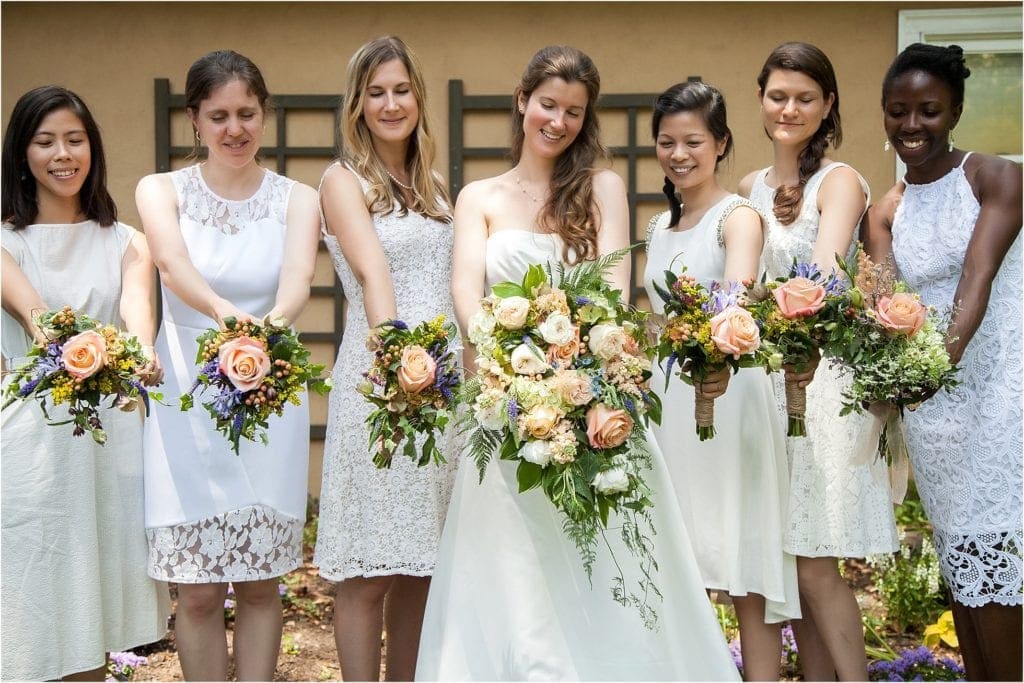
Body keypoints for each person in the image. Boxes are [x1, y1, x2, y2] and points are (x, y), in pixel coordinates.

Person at [416, 45, 739, 681]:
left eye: (572, 111)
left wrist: (582, 371)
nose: (557, 121)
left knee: (604, 559)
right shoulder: (478, 196)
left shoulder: (601, 187)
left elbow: (614, 288)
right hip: (506, 405)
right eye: (547, 105)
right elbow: (464, 289)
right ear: (522, 102)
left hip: (592, 395)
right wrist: (506, 362)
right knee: (512, 570)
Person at [135, 50, 321, 681]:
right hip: (185, 393)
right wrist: (223, 315)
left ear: (264, 115)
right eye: (219, 115)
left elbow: (297, 278)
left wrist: (266, 331)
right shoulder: (160, 190)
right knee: (197, 591)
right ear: (195, 120)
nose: (234, 128)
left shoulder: (298, 198)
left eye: (247, 113)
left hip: (267, 389)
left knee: (263, 585)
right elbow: (170, 263)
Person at [737, 42, 898, 681]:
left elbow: (825, 281)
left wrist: (749, 308)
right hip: (770, 391)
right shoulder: (752, 186)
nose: (790, 108)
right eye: (778, 95)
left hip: (824, 385)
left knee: (815, 561)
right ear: (761, 100)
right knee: (789, 564)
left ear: (827, 104)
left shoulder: (841, 181)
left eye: (805, 97)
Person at [861, 43, 1022, 681]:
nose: (912, 125)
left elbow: (973, 289)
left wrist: (918, 378)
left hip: (1000, 395)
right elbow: (883, 303)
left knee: (1003, 570)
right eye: (898, 111)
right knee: (961, 567)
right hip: (933, 417)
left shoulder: (996, 177)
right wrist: (892, 382)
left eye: (928, 110)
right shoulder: (886, 211)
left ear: (954, 110)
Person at [1, 85, 170, 681]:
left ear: (93, 148)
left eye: (75, 140)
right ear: (22, 154)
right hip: (33, 447)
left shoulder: (127, 242)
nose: (62, 154)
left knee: (91, 618)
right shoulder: (4, 243)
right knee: (30, 612)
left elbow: (137, 311)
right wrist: (56, 333)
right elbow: (36, 315)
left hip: (108, 446)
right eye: (45, 142)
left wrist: (143, 351)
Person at [312, 36, 459, 681]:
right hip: (382, 385)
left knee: (423, 565)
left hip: (445, 389)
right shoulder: (343, 182)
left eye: (401, 89)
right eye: (376, 92)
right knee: (370, 567)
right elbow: (374, 277)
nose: (391, 103)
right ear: (358, 104)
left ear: (418, 98)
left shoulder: (437, 187)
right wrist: (402, 367)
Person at [642, 80, 799, 681]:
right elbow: (654, 318)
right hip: (668, 402)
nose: (679, 154)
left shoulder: (739, 219)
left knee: (743, 566)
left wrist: (705, 341)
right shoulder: (658, 228)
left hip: (726, 396)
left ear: (721, 143)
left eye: (693, 141)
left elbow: (732, 302)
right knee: (682, 564)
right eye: (667, 142)